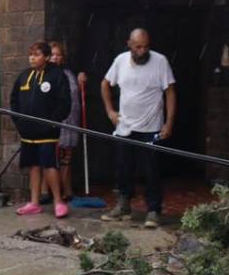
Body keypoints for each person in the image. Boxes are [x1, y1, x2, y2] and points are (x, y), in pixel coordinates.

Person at [100, 28, 176, 229]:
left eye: (146, 46)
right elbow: (105, 84)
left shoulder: (160, 61)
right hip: (125, 125)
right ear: (129, 45)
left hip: (151, 126)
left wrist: (169, 122)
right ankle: (124, 205)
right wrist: (110, 111)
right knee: (123, 168)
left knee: (152, 170)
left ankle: (153, 210)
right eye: (138, 47)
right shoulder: (121, 60)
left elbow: (170, 92)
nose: (143, 51)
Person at [10, 41, 72, 219]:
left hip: (47, 133)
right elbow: (14, 100)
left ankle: (59, 201)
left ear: (46, 57)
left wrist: (53, 122)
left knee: (49, 166)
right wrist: (19, 121)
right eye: (31, 54)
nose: (32, 58)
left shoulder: (57, 75)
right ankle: (34, 202)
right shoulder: (24, 76)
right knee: (33, 166)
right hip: (28, 133)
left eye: (36, 55)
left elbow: (65, 102)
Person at [48, 41, 86, 201]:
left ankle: (67, 191)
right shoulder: (47, 75)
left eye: (59, 55)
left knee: (66, 160)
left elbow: (75, 94)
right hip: (56, 123)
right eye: (53, 55)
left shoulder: (69, 74)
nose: (56, 58)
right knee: (52, 160)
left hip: (70, 123)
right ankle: (52, 193)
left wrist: (81, 82)